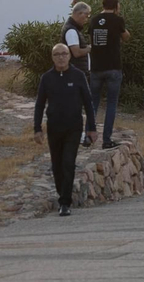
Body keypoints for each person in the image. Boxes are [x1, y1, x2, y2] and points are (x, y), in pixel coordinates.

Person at [33, 44, 96, 217]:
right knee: (57, 165)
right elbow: (39, 105)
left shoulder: (78, 75)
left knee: (68, 162)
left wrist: (92, 128)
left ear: (69, 56)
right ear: (52, 57)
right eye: (57, 54)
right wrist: (37, 129)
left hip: (74, 127)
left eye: (64, 54)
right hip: (54, 127)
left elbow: (88, 103)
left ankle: (65, 203)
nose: (61, 57)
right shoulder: (47, 78)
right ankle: (63, 193)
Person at [87, 0, 129, 149]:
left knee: (93, 103)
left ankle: (88, 136)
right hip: (113, 67)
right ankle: (106, 139)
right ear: (117, 5)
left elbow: (92, 39)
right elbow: (126, 37)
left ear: (102, 4)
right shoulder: (118, 20)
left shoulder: (94, 20)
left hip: (97, 67)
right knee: (111, 103)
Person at [63, 2, 93, 141]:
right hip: (75, 73)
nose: (86, 19)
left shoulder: (74, 30)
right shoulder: (71, 31)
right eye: (86, 16)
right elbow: (76, 52)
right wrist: (88, 48)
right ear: (79, 14)